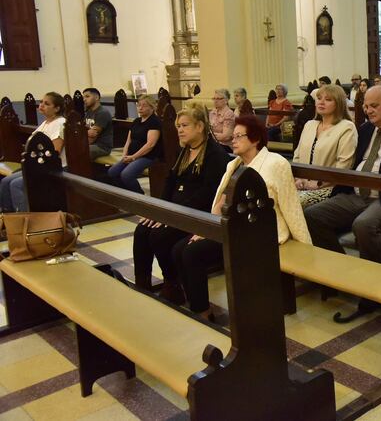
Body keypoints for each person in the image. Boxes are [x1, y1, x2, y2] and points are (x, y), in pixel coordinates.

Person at [303, 85, 381, 322]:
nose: (368, 110)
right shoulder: (366, 130)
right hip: (355, 193)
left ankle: (376, 287)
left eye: (374, 106)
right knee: (313, 215)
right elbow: (356, 163)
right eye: (365, 106)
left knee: (363, 224)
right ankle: (344, 273)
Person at [173, 115, 311, 320]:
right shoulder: (234, 164)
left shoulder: (276, 163)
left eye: (239, 136)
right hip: (230, 227)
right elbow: (219, 202)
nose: (233, 140)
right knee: (179, 250)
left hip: (257, 232)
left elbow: (290, 205)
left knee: (192, 254)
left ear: (255, 139)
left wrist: (305, 248)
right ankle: (195, 303)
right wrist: (207, 230)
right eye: (233, 136)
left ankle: (202, 312)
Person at [132, 103, 230, 304]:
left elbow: (208, 193)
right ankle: (142, 284)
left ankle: (172, 283)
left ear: (200, 127)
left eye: (185, 125)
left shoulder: (215, 154)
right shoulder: (185, 151)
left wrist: (173, 215)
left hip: (198, 214)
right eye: (178, 126)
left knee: (159, 236)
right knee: (142, 230)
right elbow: (170, 182)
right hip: (176, 211)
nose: (180, 130)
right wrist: (161, 210)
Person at [0, 92, 66, 212]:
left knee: (16, 185)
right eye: (41, 102)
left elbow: (54, 152)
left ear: (57, 108)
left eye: (46, 103)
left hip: (52, 168)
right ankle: (8, 218)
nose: (41, 105)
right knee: (5, 181)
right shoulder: (45, 123)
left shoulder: (61, 123)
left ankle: (27, 219)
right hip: (37, 165)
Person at [293, 85, 357, 206]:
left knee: (292, 204)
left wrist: (317, 184)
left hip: (328, 188)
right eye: (319, 98)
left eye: (328, 99)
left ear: (338, 104)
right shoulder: (309, 125)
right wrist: (298, 179)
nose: (321, 102)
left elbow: (343, 166)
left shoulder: (346, 127)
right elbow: (297, 156)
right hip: (301, 184)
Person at [108, 95, 162, 194]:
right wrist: (124, 155)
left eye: (144, 106)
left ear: (152, 107)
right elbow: (128, 140)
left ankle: (139, 196)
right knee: (112, 172)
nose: (140, 108)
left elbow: (150, 144)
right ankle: (128, 194)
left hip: (148, 156)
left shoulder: (154, 121)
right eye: (139, 105)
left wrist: (133, 157)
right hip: (132, 155)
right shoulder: (136, 121)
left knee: (127, 174)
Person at [83, 87, 113, 160]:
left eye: (87, 96)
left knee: (81, 150)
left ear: (96, 97)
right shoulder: (88, 112)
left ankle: (84, 171)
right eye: (83, 97)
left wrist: (83, 135)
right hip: (92, 144)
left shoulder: (102, 113)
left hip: (102, 146)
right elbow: (83, 129)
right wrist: (86, 132)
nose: (84, 99)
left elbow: (92, 137)